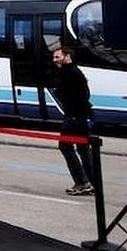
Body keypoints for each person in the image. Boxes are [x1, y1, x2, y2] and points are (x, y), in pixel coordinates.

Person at [51, 45, 94, 196]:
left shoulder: (70, 73)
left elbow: (81, 95)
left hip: (74, 116)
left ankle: (82, 182)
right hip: (80, 115)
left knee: (65, 146)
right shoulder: (72, 72)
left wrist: (74, 112)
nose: (54, 60)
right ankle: (91, 182)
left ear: (67, 56)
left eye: (57, 57)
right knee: (83, 149)